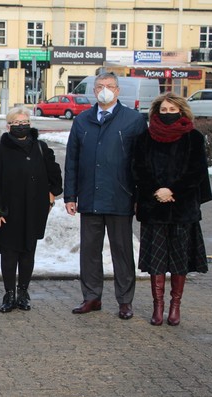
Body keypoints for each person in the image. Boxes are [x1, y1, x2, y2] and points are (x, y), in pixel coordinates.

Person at [63, 72, 148, 320]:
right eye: (100, 86)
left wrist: (138, 196)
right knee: (90, 251)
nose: (104, 90)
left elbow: (141, 162)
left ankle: (125, 301)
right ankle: (92, 297)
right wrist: (70, 195)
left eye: (109, 86)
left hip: (120, 196)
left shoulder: (133, 120)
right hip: (89, 197)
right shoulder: (82, 121)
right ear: (94, 91)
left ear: (118, 90)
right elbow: (72, 160)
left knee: (122, 252)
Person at [132, 93, 212, 326]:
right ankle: (158, 307)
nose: (168, 114)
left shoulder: (193, 138)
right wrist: (156, 191)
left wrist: (173, 190)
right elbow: (138, 169)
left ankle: (175, 306)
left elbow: (197, 172)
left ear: (182, 111)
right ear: (156, 112)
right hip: (154, 207)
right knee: (156, 261)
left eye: (172, 109)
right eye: (164, 110)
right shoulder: (144, 138)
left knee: (179, 260)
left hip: (182, 209)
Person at [0, 107, 63, 312]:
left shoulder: (40, 147)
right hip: (9, 212)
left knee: (28, 252)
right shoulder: (0, 151)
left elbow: (54, 174)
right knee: (9, 254)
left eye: (25, 122)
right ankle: (9, 294)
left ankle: (23, 292)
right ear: (8, 126)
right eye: (16, 123)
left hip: (34, 209)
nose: (21, 126)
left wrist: (52, 195)